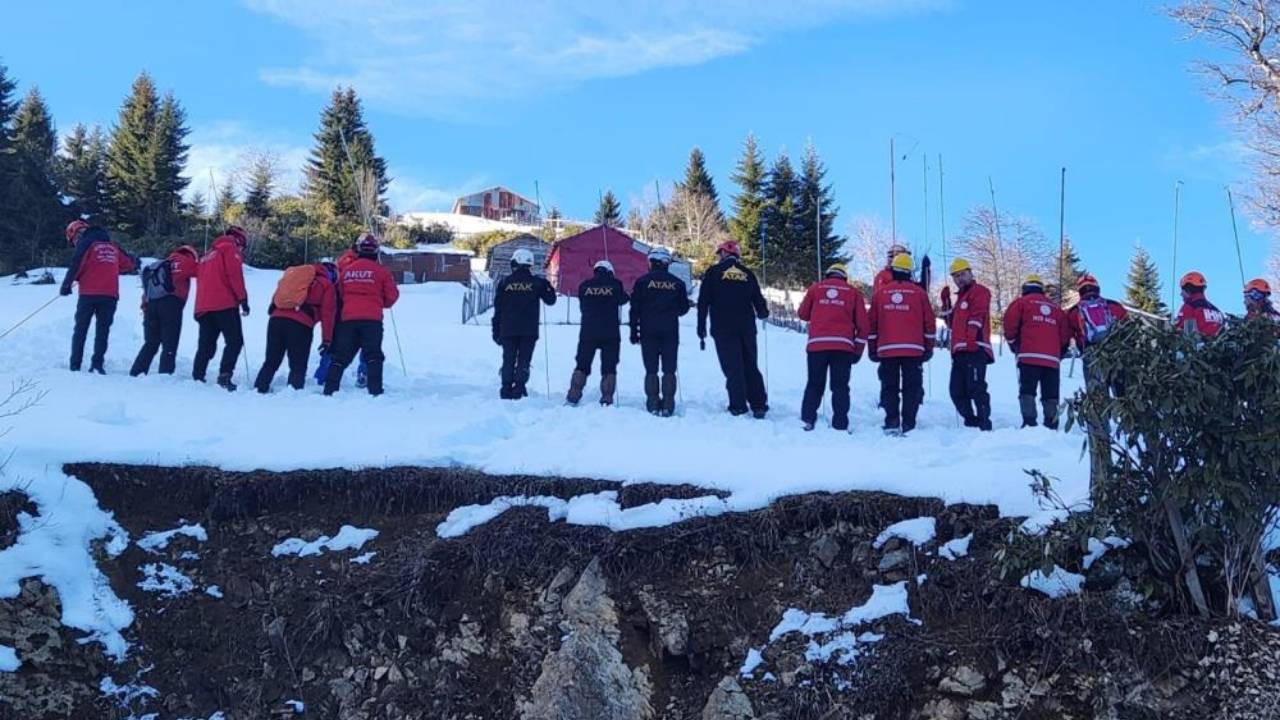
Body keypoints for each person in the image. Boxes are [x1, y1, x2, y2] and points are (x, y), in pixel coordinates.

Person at [697, 240, 770, 418]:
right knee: (750, 364)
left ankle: (738, 405)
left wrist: (701, 326)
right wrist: (762, 313)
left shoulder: (713, 273)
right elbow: (759, 301)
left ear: (723, 253)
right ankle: (759, 404)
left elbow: (703, 301)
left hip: (723, 328)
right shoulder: (747, 274)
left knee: (733, 367)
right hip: (747, 327)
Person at [324, 233, 399, 396]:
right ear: (375, 251)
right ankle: (375, 391)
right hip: (372, 320)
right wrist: (378, 303)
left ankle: (329, 389)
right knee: (373, 355)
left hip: (348, 319)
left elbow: (339, 294)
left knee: (340, 356)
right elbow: (392, 296)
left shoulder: (347, 271)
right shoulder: (381, 272)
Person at [868, 253, 935, 435]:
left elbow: (872, 324)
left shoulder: (880, 294)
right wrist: (928, 346)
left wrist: (872, 348)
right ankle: (909, 423)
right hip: (913, 350)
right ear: (909, 272)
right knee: (911, 388)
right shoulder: (919, 293)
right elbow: (929, 323)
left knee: (889, 387)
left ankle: (891, 422)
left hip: (887, 349)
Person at [797, 263, 869, 432]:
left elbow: (802, 314)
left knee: (814, 383)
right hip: (843, 348)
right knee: (840, 386)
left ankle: (807, 419)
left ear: (828, 274)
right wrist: (857, 350)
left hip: (817, 346)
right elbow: (864, 326)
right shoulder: (853, 293)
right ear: (844, 277)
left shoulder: (815, 288)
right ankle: (840, 423)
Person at [60, 220, 138, 373]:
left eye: (74, 240)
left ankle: (75, 365)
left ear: (77, 233)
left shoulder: (86, 243)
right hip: (110, 295)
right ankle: (97, 365)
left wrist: (66, 285)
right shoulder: (113, 246)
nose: (75, 243)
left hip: (88, 294)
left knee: (81, 329)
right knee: (103, 331)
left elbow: (77, 263)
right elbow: (128, 264)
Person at [254, 263, 337, 393]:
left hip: (276, 320)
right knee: (298, 364)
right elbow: (328, 314)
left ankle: (259, 388)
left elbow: (276, 299)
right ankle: (294, 393)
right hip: (301, 325)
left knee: (271, 361)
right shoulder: (326, 284)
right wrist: (327, 339)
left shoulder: (295, 278)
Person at [1002, 274, 1071, 429]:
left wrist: (1013, 345)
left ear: (1025, 288)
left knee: (1027, 391)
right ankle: (1051, 423)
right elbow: (1065, 334)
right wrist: (1059, 353)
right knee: (1051, 394)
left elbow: (1009, 324)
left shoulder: (1020, 303)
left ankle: (1029, 422)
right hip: (1052, 360)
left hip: (1028, 356)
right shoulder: (1056, 308)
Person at [629, 247, 690, 416]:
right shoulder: (678, 283)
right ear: (666, 263)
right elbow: (684, 308)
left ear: (651, 262)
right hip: (670, 330)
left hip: (648, 330)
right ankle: (668, 404)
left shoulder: (642, 282)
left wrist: (634, 331)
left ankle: (653, 402)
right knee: (669, 368)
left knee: (651, 369)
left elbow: (634, 309)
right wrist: (671, 311)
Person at [492, 248, 557, 399]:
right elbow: (551, 301)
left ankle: (505, 388)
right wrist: (548, 286)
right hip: (529, 330)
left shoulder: (504, 283)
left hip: (507, 329)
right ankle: (519, 388)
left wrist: (496, 331)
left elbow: (498, 309)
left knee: (508, 358)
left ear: (515, 262)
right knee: (524, 359)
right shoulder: (538, 283)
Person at [193, 226, 251, 390]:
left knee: (206, 344)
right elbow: (234, 275)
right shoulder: (230, 249)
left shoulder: (207, 255)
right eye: (242, 247)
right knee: (234, 341)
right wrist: (243, 299)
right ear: (239, 240)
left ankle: (198, 376)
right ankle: (225, 376)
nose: (241, 250)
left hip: (203, 306)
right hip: (224, 304)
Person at [129, 244, 199, 376]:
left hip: (150, 306)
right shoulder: (184, 261)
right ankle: (164, 375)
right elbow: (203, 270)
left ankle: (136, 372)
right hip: (171, 304)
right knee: (170, 344)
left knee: (151, 343)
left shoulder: (159, 265)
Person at [567, 260, 628, 406]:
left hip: (588, 331)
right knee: (609, 366)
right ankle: (607, 397)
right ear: (610, 272)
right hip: (610, 332)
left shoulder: (584, 286)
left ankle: (574, 394)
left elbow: (583, 306)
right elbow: (624, 299)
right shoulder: (616, 285)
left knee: (582, 364)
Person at [946, 258, 993, 431]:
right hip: (959, 350)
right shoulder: (960, 299)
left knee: (976, 387)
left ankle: (983, 422)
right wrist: (946, 305)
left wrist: (973, 336)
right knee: (956, 390)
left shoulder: (979, 291)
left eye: (962, 274)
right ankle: (970, 419)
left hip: (976, 348)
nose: (959, 279)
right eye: (955, 276)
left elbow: (978, 314)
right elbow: (952, 323)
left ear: (971, 273)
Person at [1066, 273, 1128, 355]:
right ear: (1097, 288)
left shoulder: (1073, 311)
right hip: (1117, 349)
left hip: (1089, 352)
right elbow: (1127, 323)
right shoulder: (1113, 305)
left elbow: (1067, 334)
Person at [1173, 271, 1224, 338]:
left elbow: (1185, 332)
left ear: (1188, 289)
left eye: (1182, 290)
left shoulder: (1189, 307)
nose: (1181, 294)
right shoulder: (1217, 311)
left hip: (1199, 346)